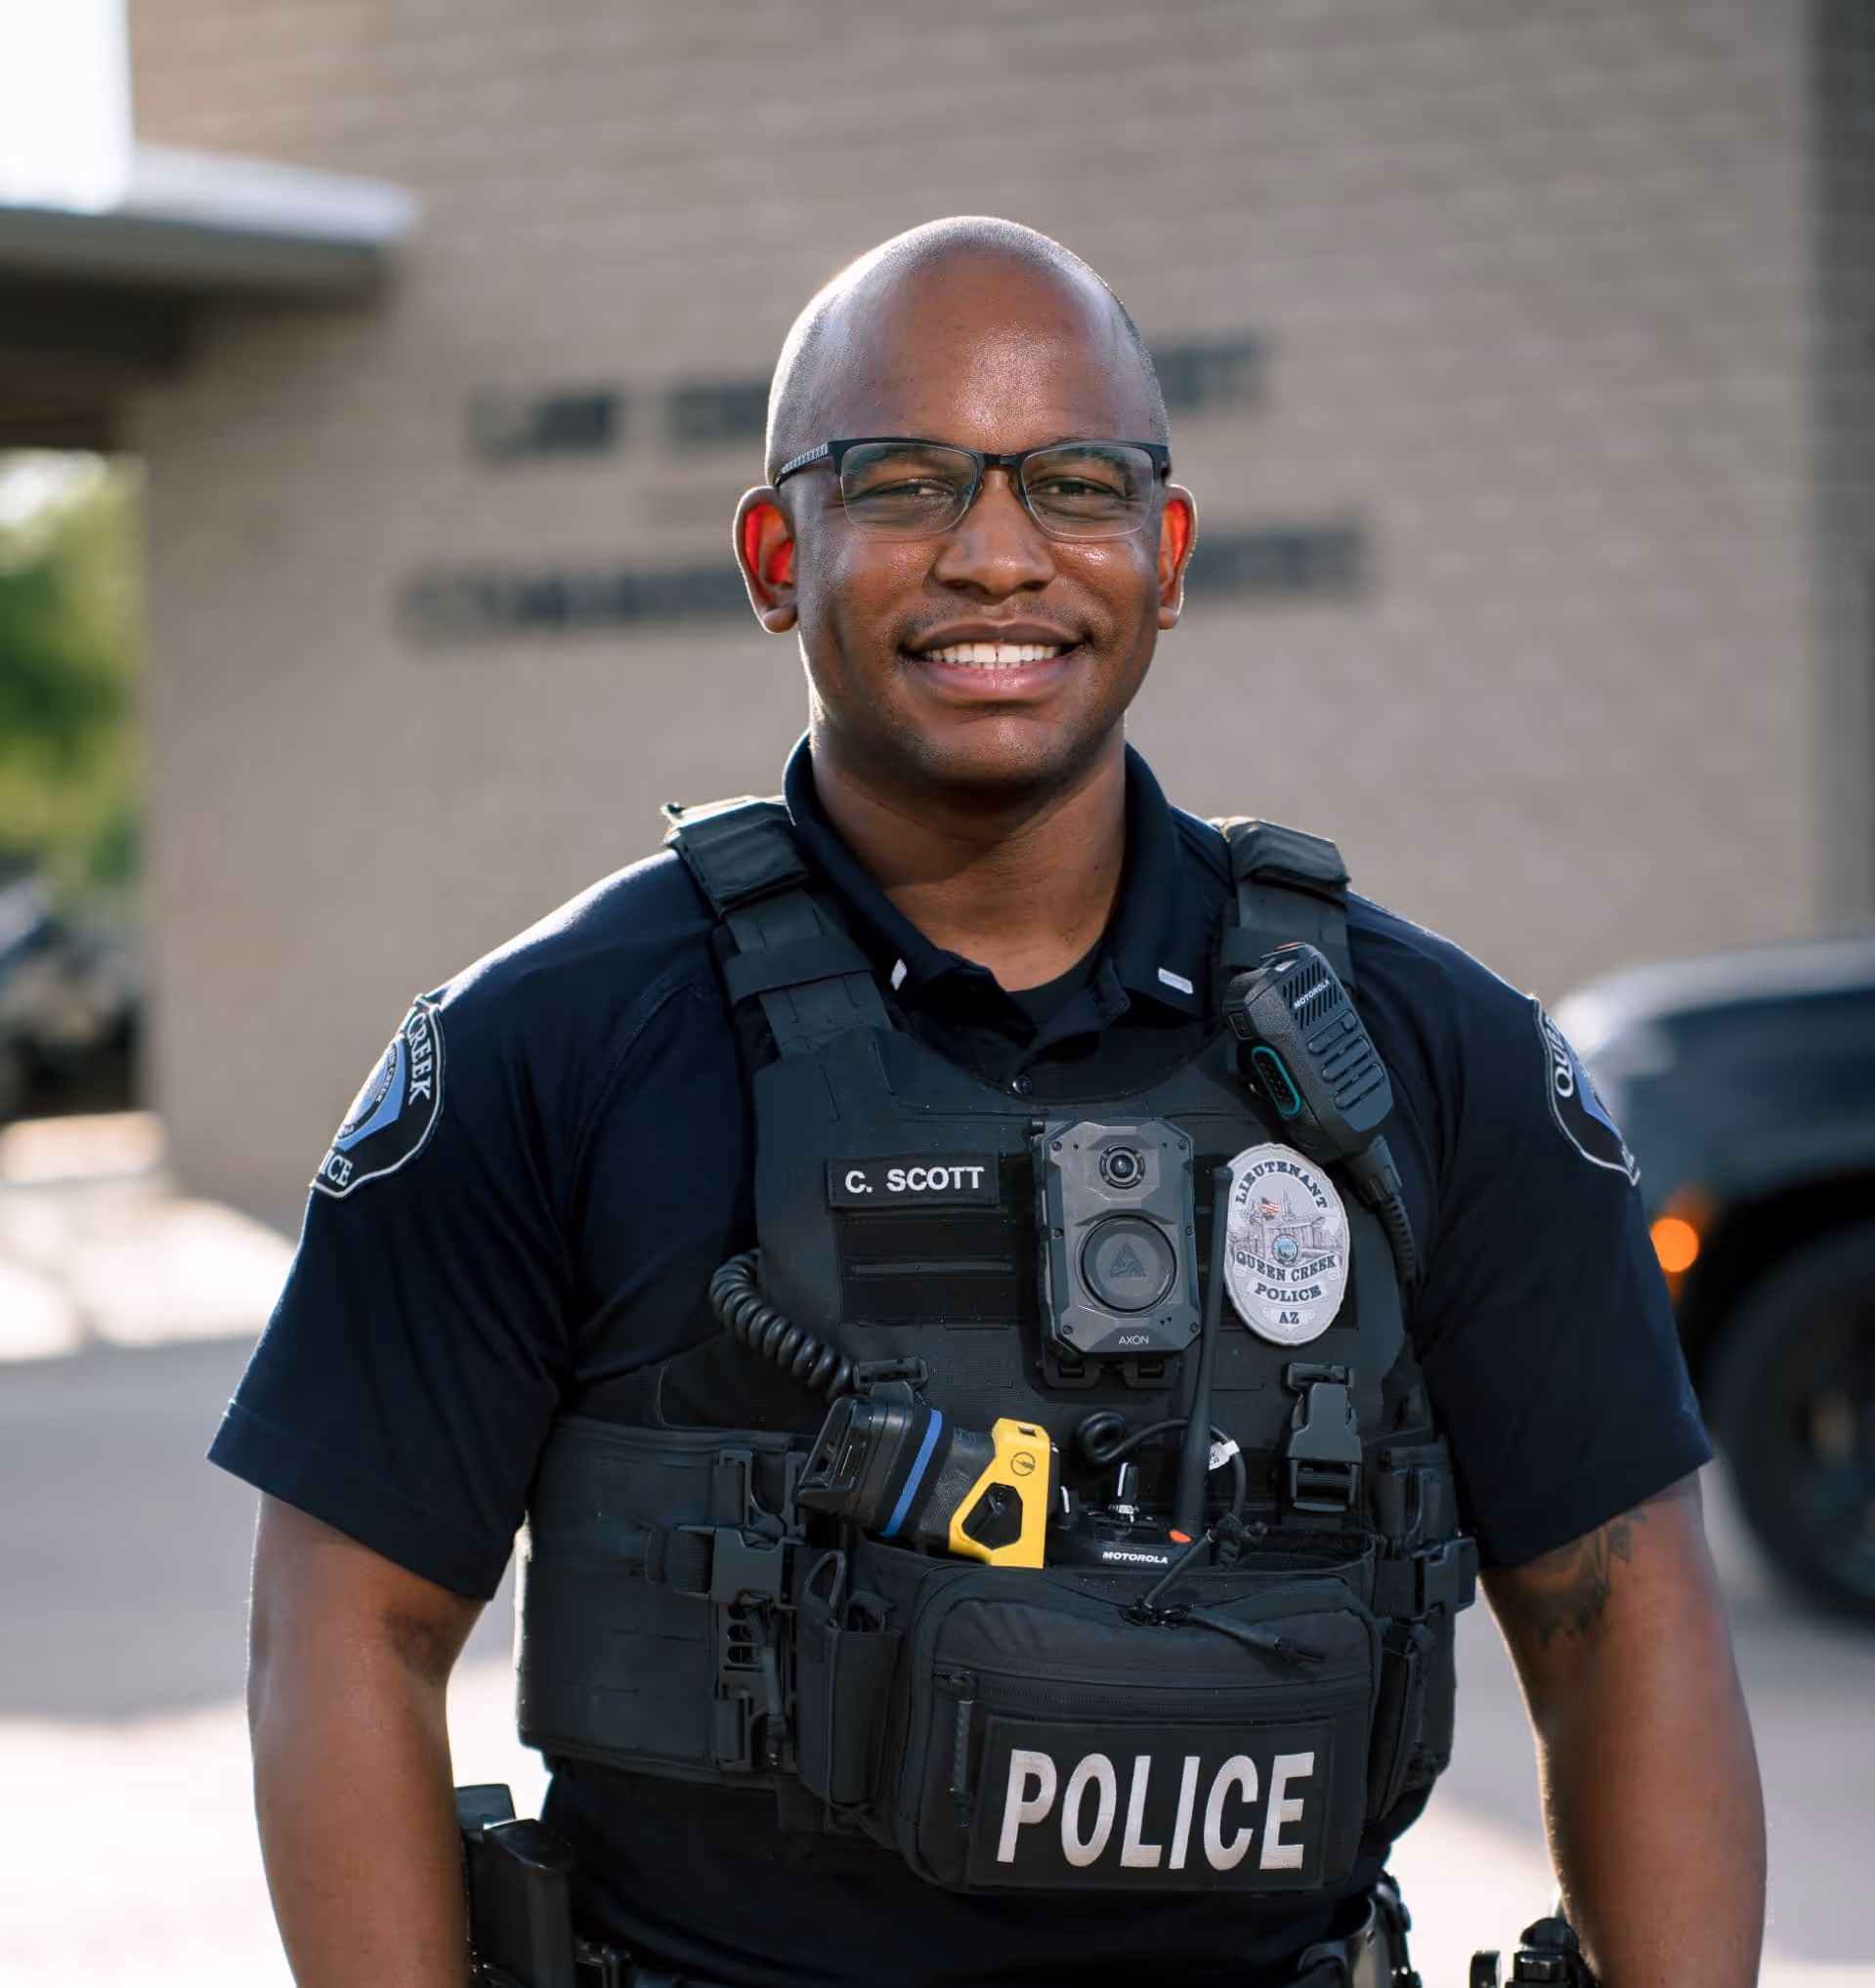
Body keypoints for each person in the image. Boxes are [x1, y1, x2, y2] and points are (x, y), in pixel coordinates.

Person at [213, 218, 1766, 1988]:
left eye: (1074, 484)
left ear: (1165, 554)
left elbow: (1619, 1615)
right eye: (906, 482)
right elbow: (347, 1627)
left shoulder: (1434, 1053)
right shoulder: (544, 1052)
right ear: (773, 552)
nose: (999, 556)